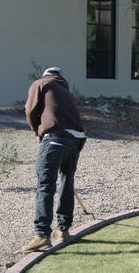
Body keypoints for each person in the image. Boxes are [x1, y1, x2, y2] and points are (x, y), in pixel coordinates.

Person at [22, 67, 86, 253]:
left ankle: (41, 235)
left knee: (46, 184)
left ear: (47, 75)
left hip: (55, 138)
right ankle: (63, 230)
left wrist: (37, 132)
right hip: (76, 139)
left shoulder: (41, 83)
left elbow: (30, 110)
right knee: (67, 181)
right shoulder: (66, 92)